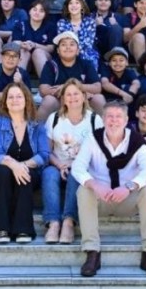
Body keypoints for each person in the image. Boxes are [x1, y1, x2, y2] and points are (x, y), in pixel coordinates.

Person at [71, 100, 146, 278]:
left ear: (126, 119)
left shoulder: (136, 140)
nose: (114, 121)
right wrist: (95, 185)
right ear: (103, 119)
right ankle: (92, 252)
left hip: (127, 200)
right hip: (102, 198)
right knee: (83, 190)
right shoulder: (93, 139)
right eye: (110, 116)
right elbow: (78, 168)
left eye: (118, 116)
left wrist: (128, 187)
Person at [42, 79, 105, 244]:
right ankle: (53, 223)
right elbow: (47, 152)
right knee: (48, 174)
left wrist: (75, 165)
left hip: (83, 167)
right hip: (58, 164)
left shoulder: (94, 120)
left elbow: (98, 152)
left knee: (76, 174)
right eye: (68, 94)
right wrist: (59, 165)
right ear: (63, 99)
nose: (72, 97)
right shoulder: (54, 119)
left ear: (84, 96)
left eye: (76, 93)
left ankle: (69, 221)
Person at [0, 83, 50, 243]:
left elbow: (44, 155)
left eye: (19, 96)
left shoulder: (37, 126)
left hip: (30, 170)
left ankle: (23, 229)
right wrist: (14, 165)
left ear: (27, 100)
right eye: (11, 97)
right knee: (3, 172)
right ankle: (1, 229)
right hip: (3, 170)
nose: (15, 100)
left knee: (25, 174)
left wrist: (23, 166)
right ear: (5, 102)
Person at [38, 31, 106, 121]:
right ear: (58, 50)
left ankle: (106, 131)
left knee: (99, 98)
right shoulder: (51, 65)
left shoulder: (86, 64)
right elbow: (43, 89)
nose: (68, 47)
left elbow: (97, 87)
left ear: (78, 50)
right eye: (63, 44)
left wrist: (70, 88)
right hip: (60, 101)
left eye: (72, 44)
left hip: (83, 101)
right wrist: (67, 93)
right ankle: (36, 131)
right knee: (48, 101)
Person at [0, 42, 32, 119]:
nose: (10, 58)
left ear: (19, 60)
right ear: (1, 57)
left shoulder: (22, 74)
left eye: (14, 56)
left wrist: (21, 83)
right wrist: (6, 95)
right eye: (7, 55)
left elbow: (29, 98)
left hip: (14, 105)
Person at [13, 0, 57, 77]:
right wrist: (23, 44)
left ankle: (46, 83)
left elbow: (51, 48)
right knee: (24, 51)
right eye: (34, 9)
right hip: (24, 59)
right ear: (29, 11)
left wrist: (34, 45)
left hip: (44, 59)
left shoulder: (50, 26)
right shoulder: (20, 24)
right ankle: (17, 83)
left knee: (38, 52)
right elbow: (15, 42)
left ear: (45, 14)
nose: (37, 13)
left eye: (41, 11)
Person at [57, 0, 101, 70]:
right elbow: (63, 42)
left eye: (77, 3)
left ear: (82, 6)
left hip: (86, 53)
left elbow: (88, 43)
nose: (74, 5)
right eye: (71, 3)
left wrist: (76, 50)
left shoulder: (90, 21)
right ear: (67, 7)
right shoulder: (62, 23)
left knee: (90, 61)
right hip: (67, 53)